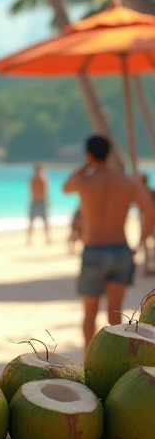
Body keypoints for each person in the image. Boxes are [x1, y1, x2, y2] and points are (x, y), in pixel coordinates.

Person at [62, 135, 155, 351]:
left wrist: (87, 165)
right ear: (110, 154)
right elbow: (150, 212)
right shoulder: (126, 182)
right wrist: (139, 243)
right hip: (121, 251)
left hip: (93, 250)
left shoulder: (85, 182)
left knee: (89, 315)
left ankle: (87, 361)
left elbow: (65, 187)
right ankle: (115, 363)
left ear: (89, 154)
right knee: (115, 316)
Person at [28, 162, 50, 245]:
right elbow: (45, 192)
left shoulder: (36, 179)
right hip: (38, 201)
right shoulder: (41, 178)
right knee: (41, 222)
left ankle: (47, 238)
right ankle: (30, 239)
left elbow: (44, 191)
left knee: (43, 222)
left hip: (37, 201)